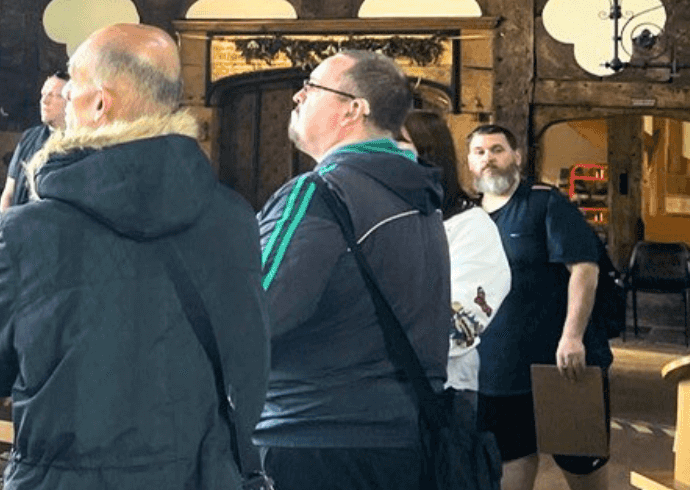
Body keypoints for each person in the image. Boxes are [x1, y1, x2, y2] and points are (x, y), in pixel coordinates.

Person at [0, 24, 268, 490]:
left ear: (100, 103)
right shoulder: (235, 219)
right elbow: (251, 364)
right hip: (200, 475)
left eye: (72, 88)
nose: (63, 100)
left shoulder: (32, 231)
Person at [255, 50, 449, 490]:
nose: (298, 95)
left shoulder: (320, 192)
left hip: (313, 437)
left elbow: (252, 313)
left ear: (353, 109)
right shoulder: (418, 194)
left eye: (313, 86)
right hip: (402, 437)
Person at [466, 125, 611, 490]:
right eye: (479, 152)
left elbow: (585, 268)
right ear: (470, 162)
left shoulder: (545, 203)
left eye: (497, 150)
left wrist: (572, 336)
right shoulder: (466, 219)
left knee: (582, 469)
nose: (489, 159)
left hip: (561, 365)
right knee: (511, 468)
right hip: (498, 372)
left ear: (516, 157)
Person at [401, 111, 510, 398]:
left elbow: (463, 322)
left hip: (443, 388)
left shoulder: (471, 226)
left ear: (428, 154)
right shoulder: (382, 217)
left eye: (398, 143)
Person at [0, 71, 67, 211]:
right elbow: (9, 193)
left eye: (55, 95)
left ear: (71, 99)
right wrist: (3, 226)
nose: (45, 101)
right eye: (43, 94)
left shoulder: (82, 143)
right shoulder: (29, 137)